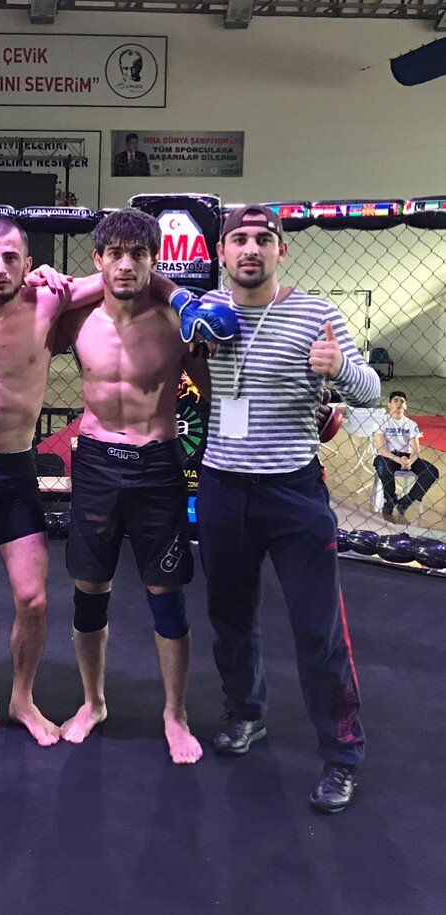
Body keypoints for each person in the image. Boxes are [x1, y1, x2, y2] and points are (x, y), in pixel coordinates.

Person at [0, 217, 180, 752]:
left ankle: (22, 699)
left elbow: (130, 276)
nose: (0, 268)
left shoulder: (50, 301)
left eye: (11, 258)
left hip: (15, 468)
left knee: (33, 599)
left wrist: (182, 295)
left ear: (27, 264)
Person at [197, 204, 380, 813]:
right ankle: (246, 712)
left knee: (318, 630)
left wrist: (340, 369)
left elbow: (370, 390)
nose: (251, 249)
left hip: (293, 491)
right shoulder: (205, 311)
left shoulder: (315, 314)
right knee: (230, 618)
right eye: (239, 240)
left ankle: (342, 754)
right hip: (222, 488)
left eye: (263, 239)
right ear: (222, 253)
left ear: (282, 250)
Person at [53, 209, 211, 763]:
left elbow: (211, 392)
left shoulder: (176, 320)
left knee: (166, 594)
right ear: (97, 259)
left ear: (154, 260)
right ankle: (93, 702)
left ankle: (175, 714)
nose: (125, 264)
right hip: (97, 462)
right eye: (115, 254)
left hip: (156, 465)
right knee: (89, 589)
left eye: (137, 254)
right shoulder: (74, 316)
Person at [373, 391, 440, 522]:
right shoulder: (381, 422)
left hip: (408, 457)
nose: (399, 403)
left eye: (402, 401)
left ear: (406, 406)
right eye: (395, 400)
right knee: (382, 467)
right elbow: (382, 449)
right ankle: (390, 499)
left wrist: (409, 461)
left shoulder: (411, 424)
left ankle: (405, 501)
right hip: (389, 456)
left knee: (432, 472)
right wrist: (398, 460)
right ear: (389, 405)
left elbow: (416, 449)